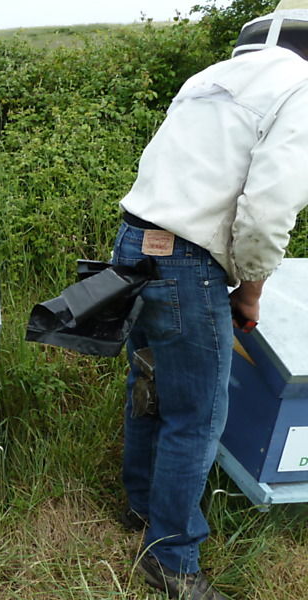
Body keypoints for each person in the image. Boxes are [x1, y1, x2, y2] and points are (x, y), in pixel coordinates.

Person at [111, 2, 308, 599]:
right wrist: (250, 289)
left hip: (134, 241)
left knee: (150, 388)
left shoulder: (206, 79)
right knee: (196, 418)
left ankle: (143, 509)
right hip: (189, 264)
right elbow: (267, 211)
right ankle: (171, 559)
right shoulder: (299, 86)